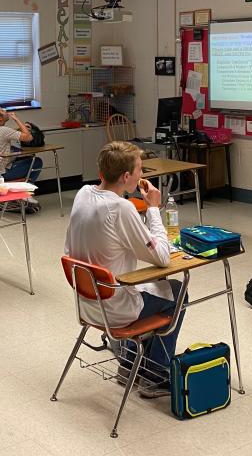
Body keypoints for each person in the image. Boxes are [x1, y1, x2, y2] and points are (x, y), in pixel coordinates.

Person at [64, 141, 186, 398]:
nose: (142, 175)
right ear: (127, 176)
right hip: (115, 309)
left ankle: (129, 366)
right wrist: (153, 208)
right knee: (178, 291)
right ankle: (155, 376)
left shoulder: (83, 194)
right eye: (140, 170)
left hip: (88, 303)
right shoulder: (121, 208)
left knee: (157, 288)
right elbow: (162, 257)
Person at [0, 105, 42, 183]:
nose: (5, 110)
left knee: (27, 157)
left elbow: (9, 134)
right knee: (37, 161)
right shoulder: (3, 130)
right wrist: (16, 119)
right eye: (2, 110)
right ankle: (27, 187)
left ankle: (23, 187)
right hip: (3, 174)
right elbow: (29, 137)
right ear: (0, 118)